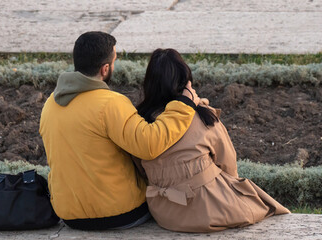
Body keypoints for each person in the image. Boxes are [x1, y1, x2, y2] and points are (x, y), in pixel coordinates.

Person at [39, 32, 200, 230]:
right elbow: (149, 145)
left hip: (69, 214)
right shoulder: (110, 104)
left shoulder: (50, 105)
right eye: (114, 61)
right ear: (105, 69)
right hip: (119, 213)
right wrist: (185, 104)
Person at [134, 48, 290, 233]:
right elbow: (228, 163)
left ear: (149, 84)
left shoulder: (140, 123)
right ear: (186, 82)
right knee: (266, 205)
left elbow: (141, 169)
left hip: (165, 212)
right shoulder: (202, 115)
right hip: (208, 209)